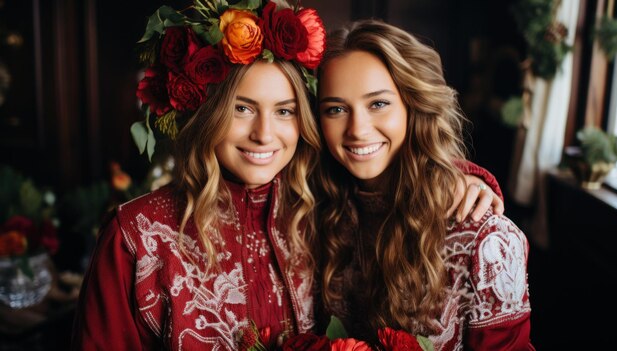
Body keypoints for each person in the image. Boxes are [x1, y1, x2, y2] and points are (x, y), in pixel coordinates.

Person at [71, 2, 503, 349]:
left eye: (284, 111)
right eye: (242, 108)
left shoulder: (319, 198)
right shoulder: (136, 236)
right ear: (208, 113)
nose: (264, 135)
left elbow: (385, 170)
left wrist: (459, 176)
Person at [314, 19, 535, 350]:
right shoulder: (319, 209)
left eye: (378, 104)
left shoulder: (486, 240)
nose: (357, 129)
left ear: (412, 105)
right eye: (336, 109)